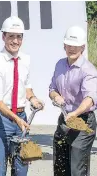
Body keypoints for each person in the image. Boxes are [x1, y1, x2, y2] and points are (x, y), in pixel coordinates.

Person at [0, 16, 44, 176]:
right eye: (11, 36)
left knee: (22, 165)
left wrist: (33, 99)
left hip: (21, 116)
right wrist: (17, 120)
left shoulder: (26, 59)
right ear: (3, 37)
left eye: (19, 37)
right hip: (0, 118)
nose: (15, 41)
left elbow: (27, 86)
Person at [49, 25, 97, 176]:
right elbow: (52, 88)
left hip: (83, 122)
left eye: (76, 46)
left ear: (82, 47)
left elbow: (89, 98)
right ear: (64, 45)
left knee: (77, 170)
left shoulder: (88, 70)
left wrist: (75, 113)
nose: (72, 48)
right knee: (60, 168)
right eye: (69, 45)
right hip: (64, 120)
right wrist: (55, 95)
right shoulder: (60, 64)